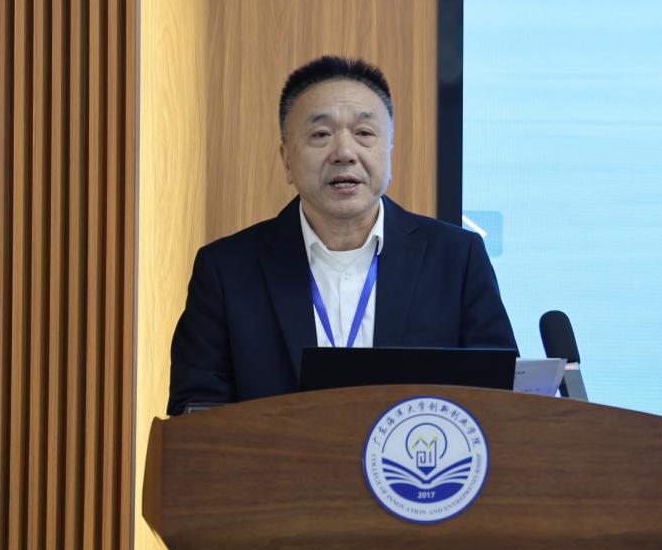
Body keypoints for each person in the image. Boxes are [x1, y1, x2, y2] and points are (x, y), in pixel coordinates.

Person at [168, 55, 516, 416]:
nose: (344, 153)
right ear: (286, 160)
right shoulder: (227, 270)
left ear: (389, 152)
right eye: (321, 135)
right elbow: (195, 415)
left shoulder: (457, 259)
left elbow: (503, 400)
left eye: (364, 133)